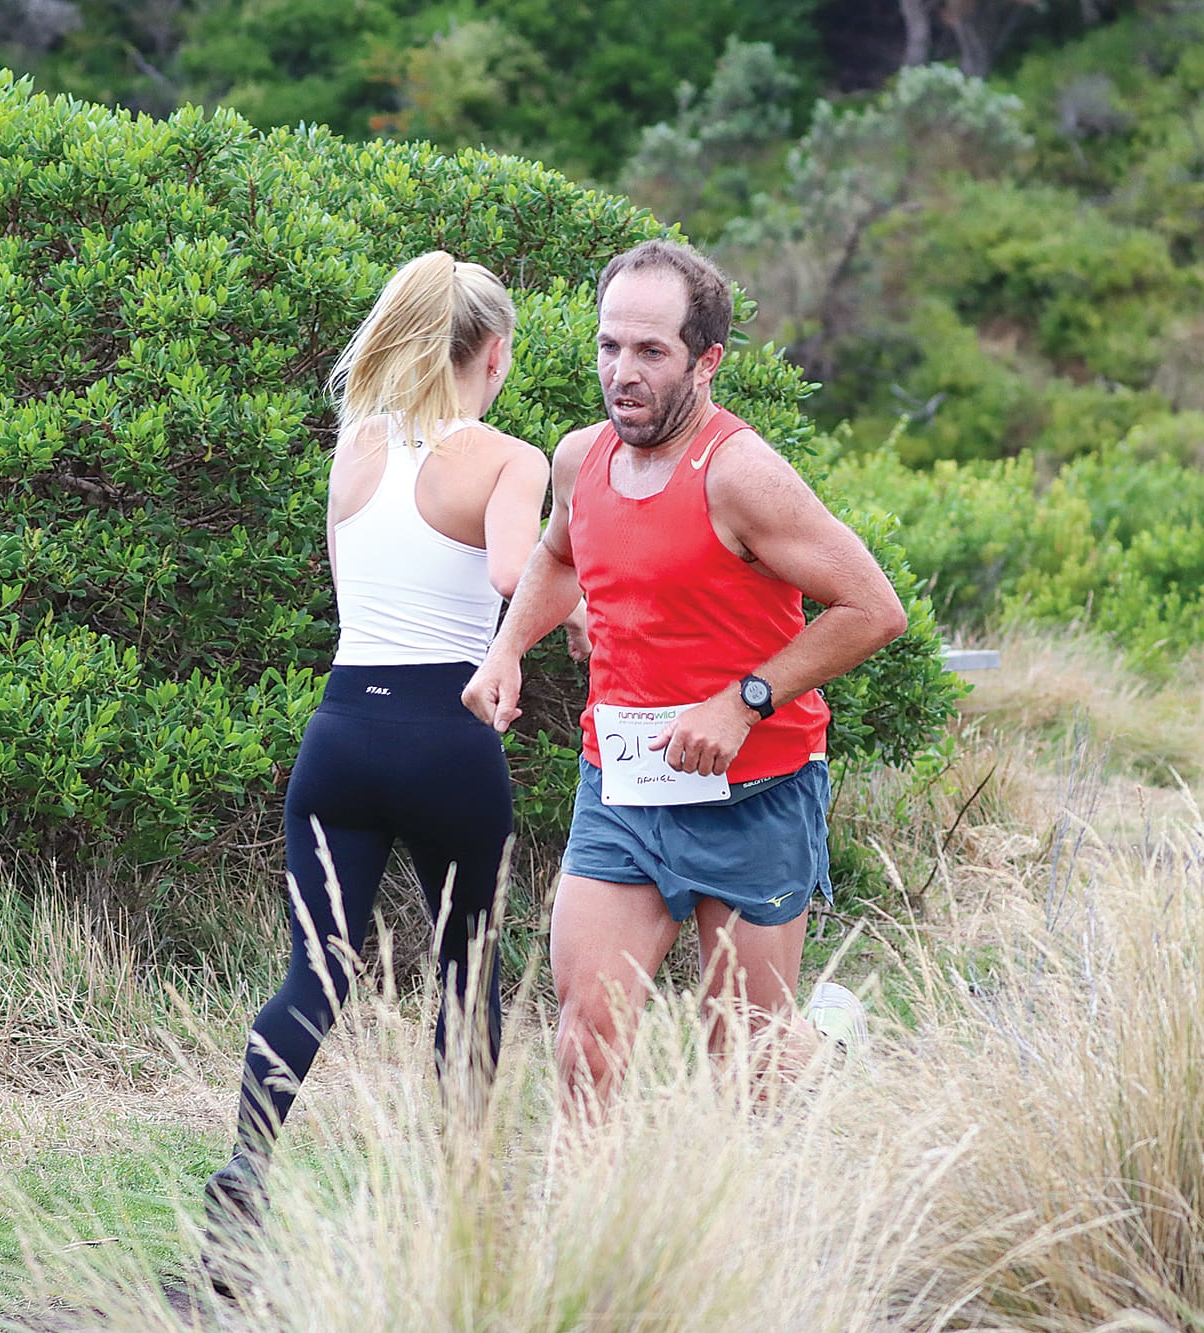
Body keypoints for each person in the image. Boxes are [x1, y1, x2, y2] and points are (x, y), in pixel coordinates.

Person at [462, 239, 908, 1110]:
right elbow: (558, 555)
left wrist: (743, 702)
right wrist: (507, 648)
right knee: (587, 1039)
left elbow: (873, 608)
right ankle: (594, 1204)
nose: (621, 372)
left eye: (650, 351)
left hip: (756, 789)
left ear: (706, 361)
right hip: (623, 785)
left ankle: (826, 1045)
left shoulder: (742, 475)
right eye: (608, 346)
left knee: (749, 1066)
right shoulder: (579, 457)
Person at [204, 251, 548, 1244]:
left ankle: (245, 1169)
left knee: (313, 973)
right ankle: (469, 1206)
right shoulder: (509, 459)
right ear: (493, 352)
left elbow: (351, 585)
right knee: (466, 974)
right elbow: (513, 574)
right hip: (447, 735)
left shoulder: (354, 445)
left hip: (342, 732)